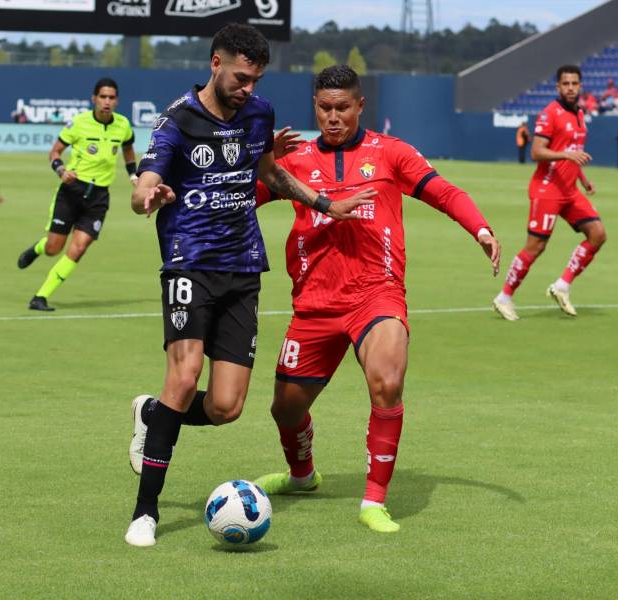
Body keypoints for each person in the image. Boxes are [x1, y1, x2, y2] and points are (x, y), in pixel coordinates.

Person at [124, 24, 366, 547]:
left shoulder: (259, 113)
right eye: (240, 77)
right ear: (216, 63)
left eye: (255, 79)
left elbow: (270, 173)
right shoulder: (177, 120)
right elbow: (143, 187)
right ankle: (146, 512)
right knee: (184, 377)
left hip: (243, 270)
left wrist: (324, 204)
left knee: (226, 407)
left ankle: (152, 414)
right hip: (189, 264)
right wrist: (149, 197)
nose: (247, 89)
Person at [248, 65, 500, 533]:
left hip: (376, 294)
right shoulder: (295, 159)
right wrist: (261, 165)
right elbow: (239, 198)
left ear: (360, 105)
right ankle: (302, 476)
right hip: (314, 304)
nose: (333, 117)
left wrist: (480, 228)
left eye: (343, 108)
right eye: (325, 108)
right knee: (286, 409)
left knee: (387, 380)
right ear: (315, 107)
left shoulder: (391, 153)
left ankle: (373, 501)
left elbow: (443, 191)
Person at [494, 65, 607, 320]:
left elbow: (574, 154)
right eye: (565, 84)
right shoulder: (550, 114)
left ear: (580, 86)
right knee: (536, 247)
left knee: (598, 234)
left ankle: (562, 286)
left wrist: (583, 179)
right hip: (547, 189)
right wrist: (567, 155)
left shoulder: (580, 114)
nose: (570, 88)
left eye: (574, 83)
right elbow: (536, 151)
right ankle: (504, 297)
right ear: (558, 87)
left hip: (570, 190)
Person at [17, 78, 138, 312]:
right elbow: (55, 152)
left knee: (79, 248)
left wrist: (133, 175)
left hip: (99, 197)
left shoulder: (123, 125)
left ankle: (40, 297)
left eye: (111, 97)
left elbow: (128, 149)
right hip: (72, 192)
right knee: (53, 248)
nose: (107, 102)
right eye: (103, 97)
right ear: (94, 99)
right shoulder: (79, 123)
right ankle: (38, 248)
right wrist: (61, 171)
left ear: (117, 100)